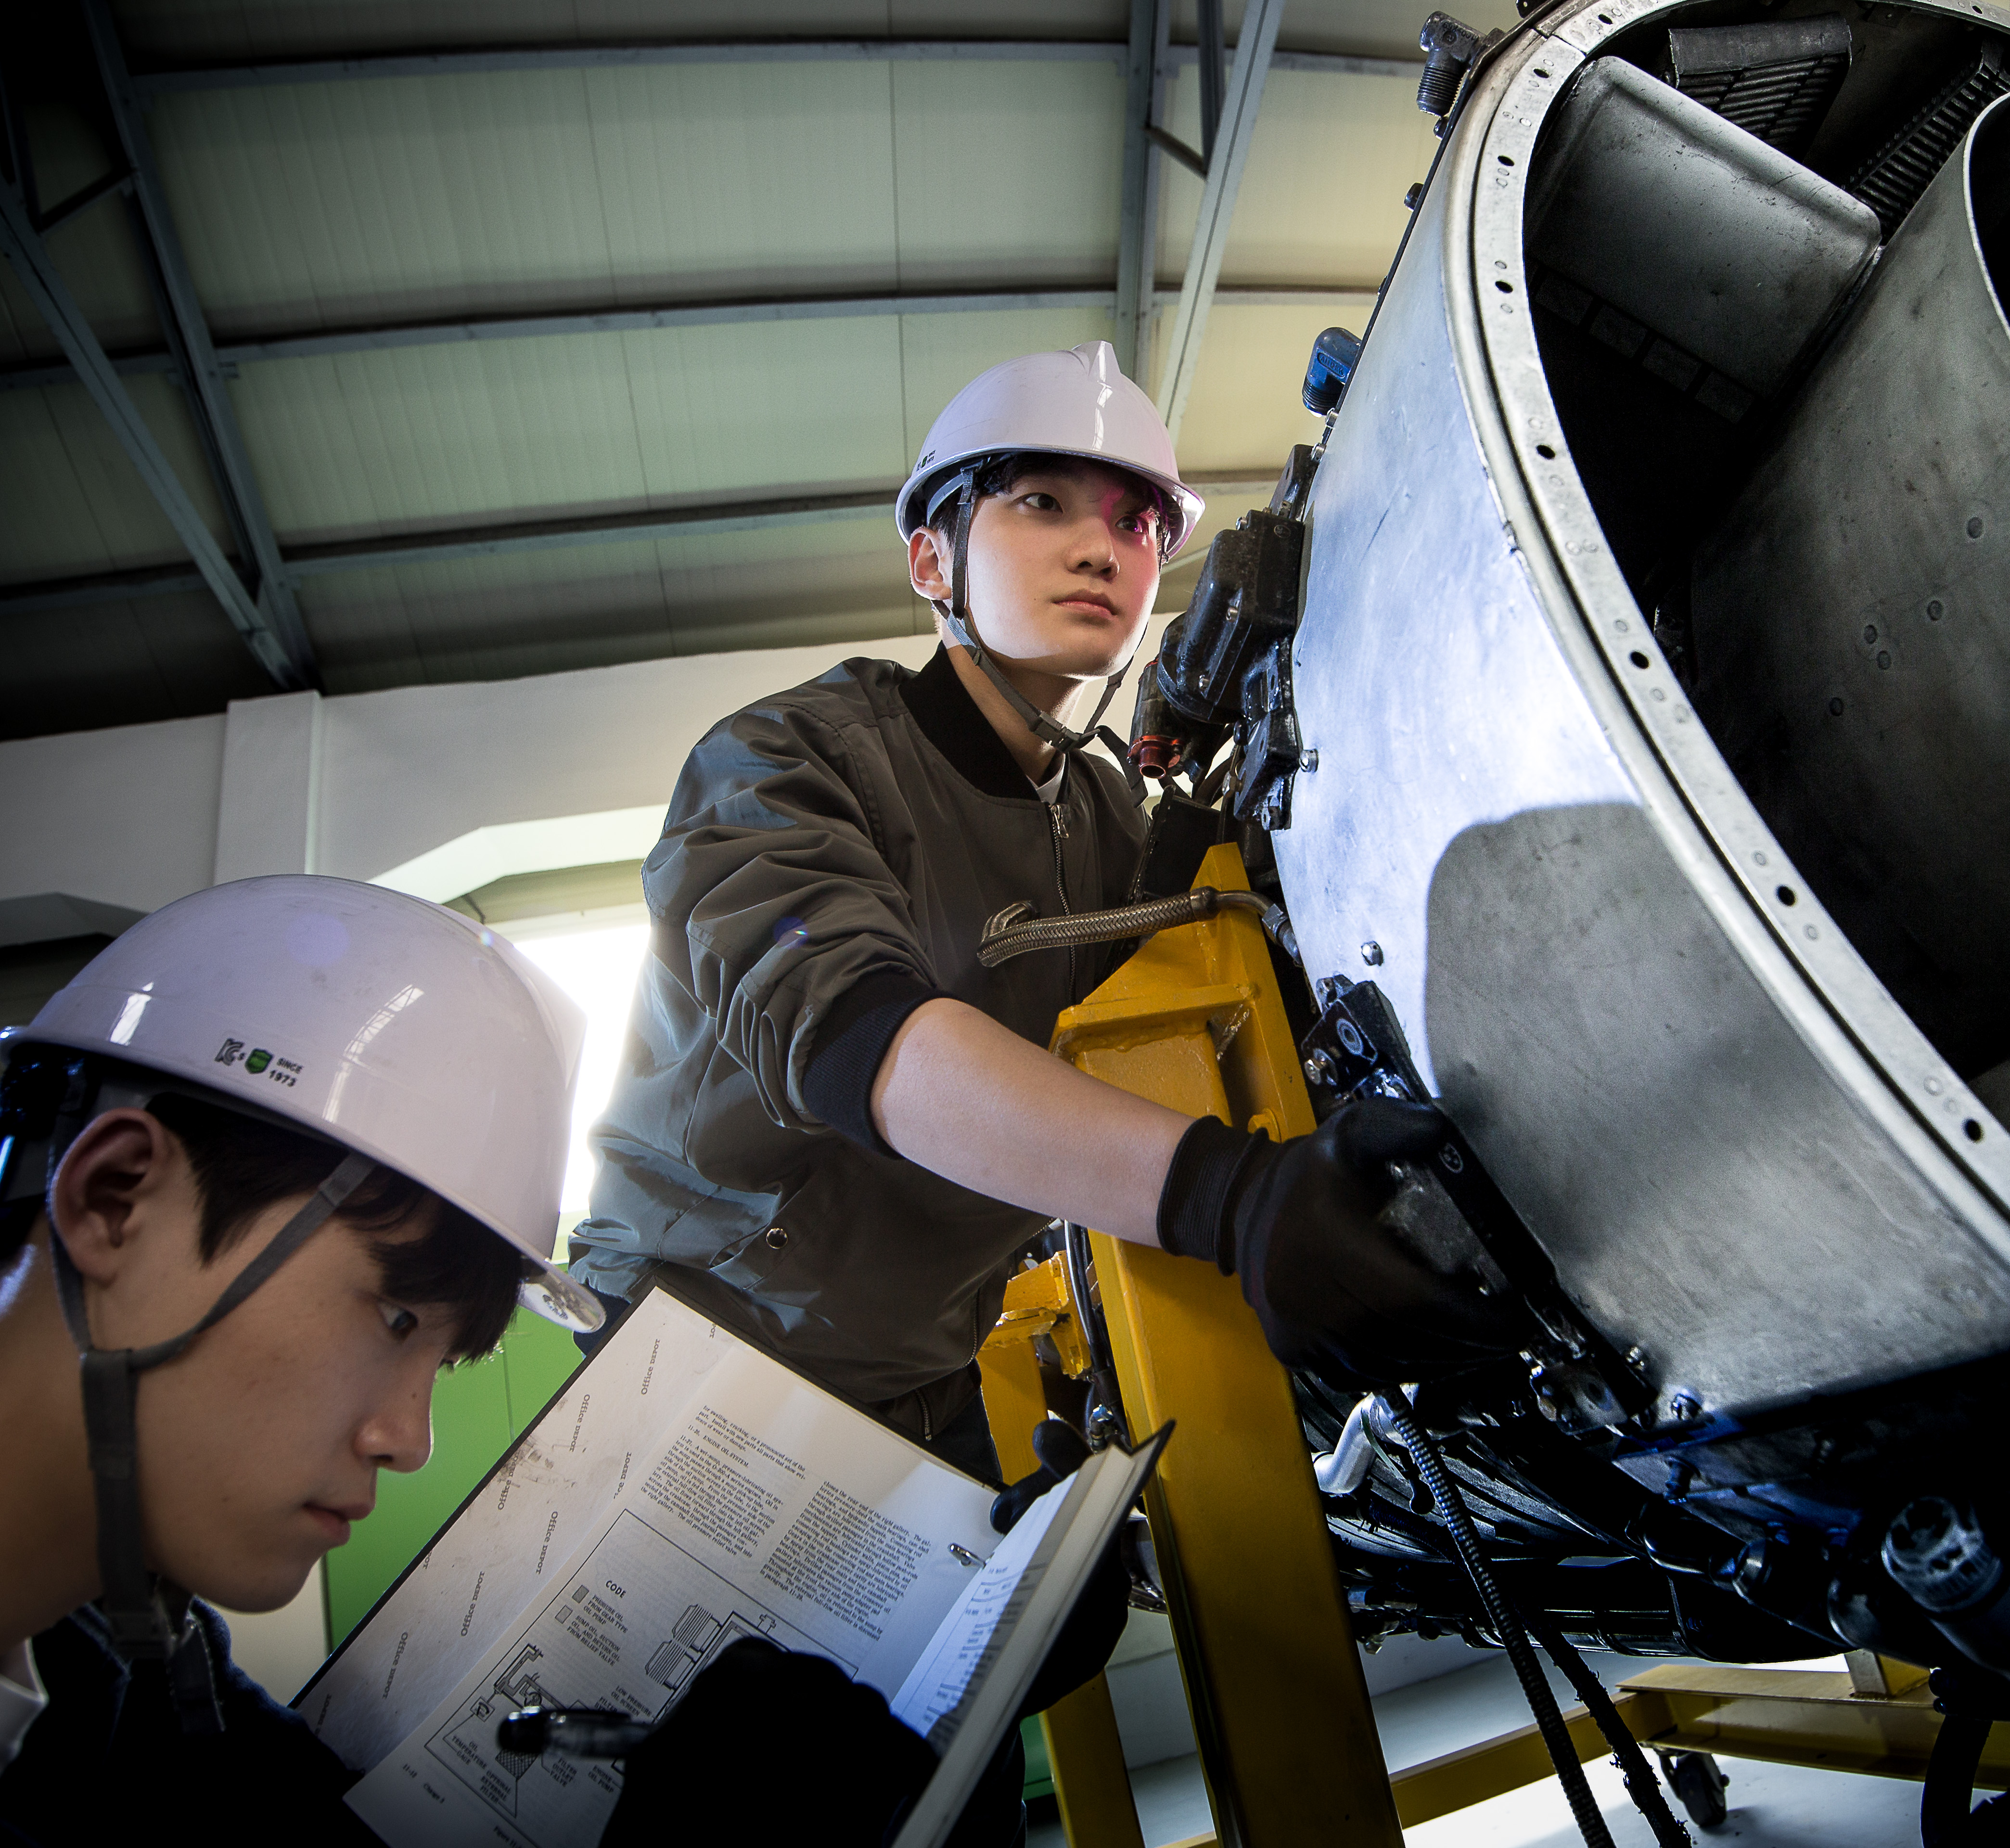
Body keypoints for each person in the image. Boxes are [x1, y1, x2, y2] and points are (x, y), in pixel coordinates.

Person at [0, 877, 987, 1845]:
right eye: (394, 1320)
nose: (410, 1439)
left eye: (440, 1361)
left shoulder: (147, 1694)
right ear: (116, 1197)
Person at [570, 341, 1516, 1469]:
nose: (1098, 549)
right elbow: (857, 1045)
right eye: (1040, 503)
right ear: (933, 559)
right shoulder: (781, 764)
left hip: (918, 1375)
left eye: (1137, 525)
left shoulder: (1115, 823)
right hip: (686, 1352)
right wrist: (1234, 1200)